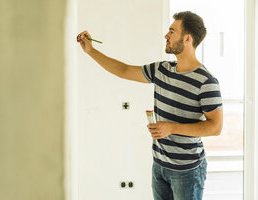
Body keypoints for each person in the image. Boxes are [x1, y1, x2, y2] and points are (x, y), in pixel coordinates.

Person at [77, 11, 223, 200]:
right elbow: (124, 70)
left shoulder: (206, 81)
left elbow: (215, 127)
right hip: (159, 165)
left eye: (172, 31)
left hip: (187, 171)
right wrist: (91, 51)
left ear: (187, 38)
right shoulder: (162, 70)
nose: (166, 36)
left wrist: (171, 128)